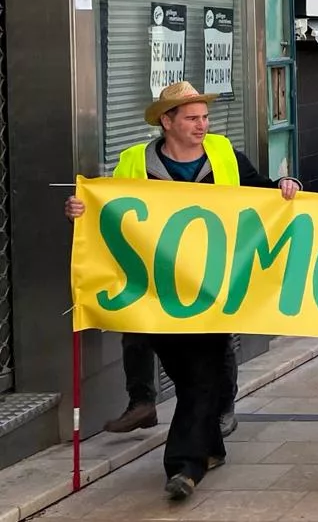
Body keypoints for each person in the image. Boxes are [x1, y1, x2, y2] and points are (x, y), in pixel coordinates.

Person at [63, 82, 300, 501]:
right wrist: (79, 212)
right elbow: (110, 214)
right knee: (189, 376)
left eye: (204, 117)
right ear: (166, 122)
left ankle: (184, 467)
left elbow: (261, 191)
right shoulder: (135, 162)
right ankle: (211, 446)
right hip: (157, 295)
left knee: (203, 375)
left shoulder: (225, 155)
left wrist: (286, 184)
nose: (202, 125)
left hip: (212, 291)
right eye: (192, 118)